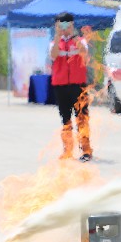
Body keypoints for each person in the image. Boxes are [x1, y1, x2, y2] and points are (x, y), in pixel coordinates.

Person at [49, 12, 93, 162]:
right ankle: (67, 151)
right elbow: (54, 55)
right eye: (60, 25)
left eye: (67, 24)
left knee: (82, 118)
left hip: (78, 85)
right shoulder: (54, 43)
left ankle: (86, 150)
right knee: (66, 119)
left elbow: (84, 54)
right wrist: (57, 36)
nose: (64, 28)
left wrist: (74, 36)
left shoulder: (80, 41)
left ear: (72, 24)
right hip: (60, 86)